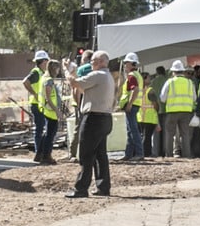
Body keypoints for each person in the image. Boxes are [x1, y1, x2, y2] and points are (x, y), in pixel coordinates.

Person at [63, 50, 114, 197]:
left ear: (100, 62)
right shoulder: (107, 76)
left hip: (94, 118)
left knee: (86, 154)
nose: (91, 64)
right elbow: (81, 86)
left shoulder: (98, 75)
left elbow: (75, 83)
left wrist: (68, 71)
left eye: (92, 62)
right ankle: (103, 186)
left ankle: (81, 188)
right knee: (100, 154)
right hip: (105, 118)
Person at [23, 49, 58, 164]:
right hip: (36, 104)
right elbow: (25, 82)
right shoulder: (36, 72)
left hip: (40, 104)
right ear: (43, 61)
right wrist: (34, 94)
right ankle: (40, 153)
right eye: (46, 61)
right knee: (40, 129)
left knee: (43, 129)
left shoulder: (42, 73)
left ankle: (40, 153)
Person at [160, 60, 196, 159]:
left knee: (169, 134)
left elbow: (162, 98)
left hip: (172, 111)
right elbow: (194, 98)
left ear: (173, 71)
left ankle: (169, 155)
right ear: (183, 71)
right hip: (186, 112)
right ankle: (187, 155)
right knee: (185, 134)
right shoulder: (190, 82)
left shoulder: (170, 82)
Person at [117, 53, 147, 160]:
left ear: (131, 64)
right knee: (131, 130)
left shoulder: (132, 76)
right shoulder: (138, 75)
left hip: (132, 105)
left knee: (133, 130)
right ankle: (128, 154)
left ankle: (139, 153)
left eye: (126, 63)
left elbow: (135, 90)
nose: (125, 65)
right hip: (135, 104)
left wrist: (129, 104)